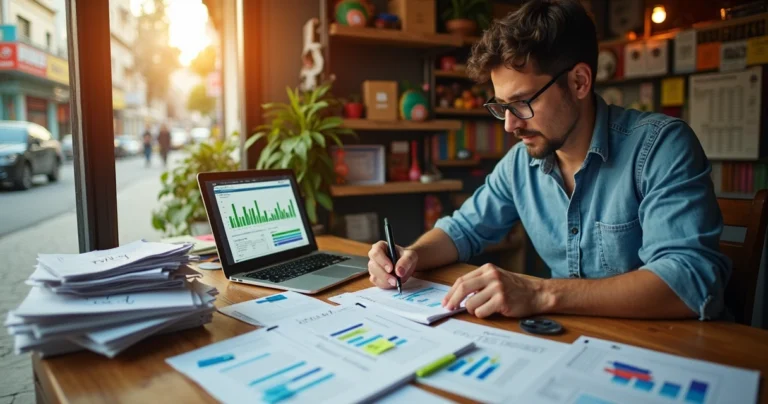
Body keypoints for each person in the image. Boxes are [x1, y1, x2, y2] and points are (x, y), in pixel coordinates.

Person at [366, 0, 730, 321]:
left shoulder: (660, 147)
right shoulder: (520, 164)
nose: (510, 124)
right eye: (501, 107)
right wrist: (410, 255)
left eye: (522, 103)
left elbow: (687, 280)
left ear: (579, 82)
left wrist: (540, 293)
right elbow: (462, 231)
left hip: (671, 353)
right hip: (577, 344)